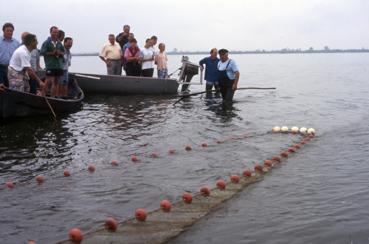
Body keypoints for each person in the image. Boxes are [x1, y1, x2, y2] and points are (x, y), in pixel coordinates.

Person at [41, 26, 65, 97]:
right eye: (54, 32)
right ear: (50, 32)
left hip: (58, 65)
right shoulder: (46, 42)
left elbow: (63, 52)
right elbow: (42, 52)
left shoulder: (59, 43)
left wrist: (59, 53)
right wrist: (52, 53)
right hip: (50, 65)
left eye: (57, 32)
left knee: (56, 81)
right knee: (48, 81)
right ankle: (43, 96)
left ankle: (53, 97)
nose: (55, 34)